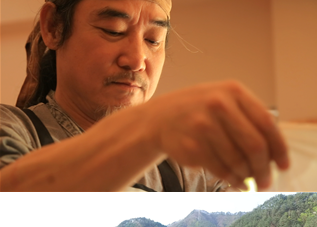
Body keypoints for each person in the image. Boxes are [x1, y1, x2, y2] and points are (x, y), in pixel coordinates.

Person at [0, 0, 290, 192]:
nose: (137, 59)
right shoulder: (13, 128)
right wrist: (146, 129)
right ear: (54, 27)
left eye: (153, 40)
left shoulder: (190, 170)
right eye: (113, 31)